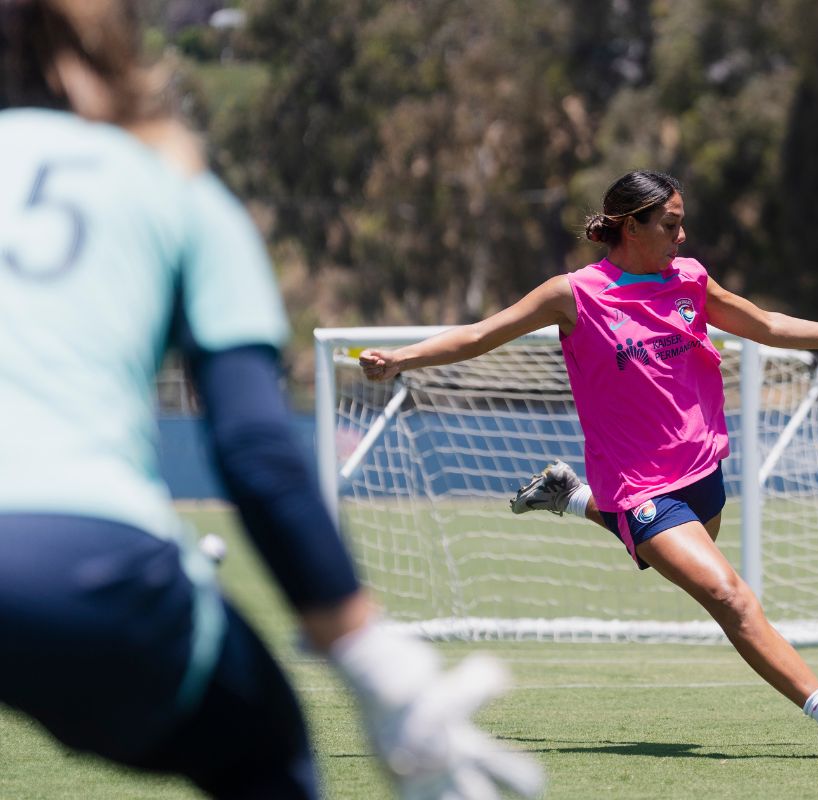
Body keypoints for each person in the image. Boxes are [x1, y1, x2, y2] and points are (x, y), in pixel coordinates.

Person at [0, 2, 543, 798]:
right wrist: (374, 661)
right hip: (84, 560)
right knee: (264, 753)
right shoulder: (177, 192)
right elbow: (255, 450)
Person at [360, 169, 818, 757]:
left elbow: (765, 325)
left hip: (704, 472)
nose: (682, 236)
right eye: (670, 224)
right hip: (641, 486)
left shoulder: (689, 280)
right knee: (731, 598)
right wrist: (401, 359)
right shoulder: (575, 293)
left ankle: (572, 497)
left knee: (676, 557)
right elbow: (481, 335)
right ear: (630, 227)